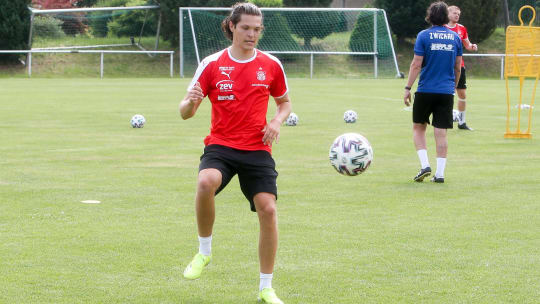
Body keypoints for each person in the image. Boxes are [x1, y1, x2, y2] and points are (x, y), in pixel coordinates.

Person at [179, 3, 291, 304]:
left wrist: (276, 121)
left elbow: (284, 103)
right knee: (206, 182)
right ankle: (204, 253)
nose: (252, 34)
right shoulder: (212, 63)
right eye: (246, 28)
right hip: (222, 145)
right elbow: (185, 113)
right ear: (231, 26)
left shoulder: (271, 65)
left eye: (257, 29)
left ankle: (266, 287)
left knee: (268, 209)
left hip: (257, 148)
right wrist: (190, 102)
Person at [403, 1, 463, 183]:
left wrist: (407, 88)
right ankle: (440, 174)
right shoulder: (455, 38)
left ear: (430, 16)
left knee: (419, 128)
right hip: (446, 91)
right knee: (441, 132)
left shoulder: (424, 36)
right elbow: (457, 67)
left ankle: (424, 165)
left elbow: (416, 64)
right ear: (446, 16)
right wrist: (453, 87)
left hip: (425, 90)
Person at [445, 5, 478, 130]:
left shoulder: (462, 29)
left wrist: (472, 47)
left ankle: (462, 122)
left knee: (462, 94)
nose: (457, 15)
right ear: (447, 14)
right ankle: (445, 120)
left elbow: (467, 45)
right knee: (447, 93)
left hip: (459, 66)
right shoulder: (441, 28)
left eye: (458, 13)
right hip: (445, 66)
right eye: (454, 13)